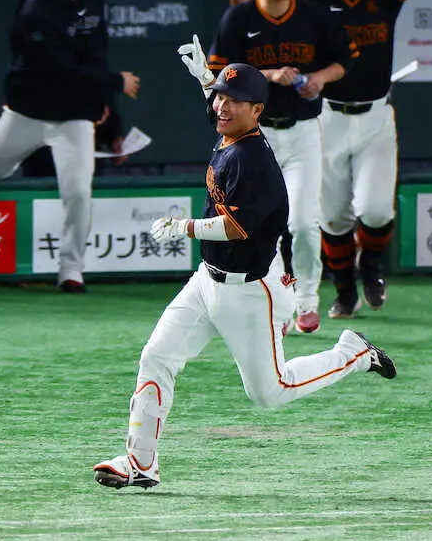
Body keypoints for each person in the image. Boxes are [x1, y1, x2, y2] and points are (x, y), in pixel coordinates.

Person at [93, 62, 396, 490]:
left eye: (233, 100)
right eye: (219, 96)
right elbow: (221, 106)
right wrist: (207, 80)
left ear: (258, 111)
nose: (221, 106)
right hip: (206, 281)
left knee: (271, 392)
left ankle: (353, 354)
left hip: (252, 292)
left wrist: (183, 227)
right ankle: (140, 462)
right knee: (157, 356)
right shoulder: (232, 127)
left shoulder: (253, 161)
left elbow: (235, 228)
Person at [253, 0, 432, 318]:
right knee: (335, 217)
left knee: (378, 209)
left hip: (377, 117)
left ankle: (373, 266)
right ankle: (344, 289)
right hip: (326, 118)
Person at [204, 0, 356, 334]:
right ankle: (278, 301)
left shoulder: (314, 15)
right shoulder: (239, 19)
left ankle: (307, 298)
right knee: (262, 224)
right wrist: (265, 77)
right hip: (257, 138)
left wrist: (319, 78)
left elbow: (343, 61)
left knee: (304, 222)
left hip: (304, 130)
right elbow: (216, 79)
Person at [0, 0, 141, 293]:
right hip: (28, 112)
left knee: (79, 192)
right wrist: (115, 82)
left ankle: (71, 270)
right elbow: (58, 67)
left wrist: (112, 120)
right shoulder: (37, 6)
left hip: (73, 117)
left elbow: (97, 58)